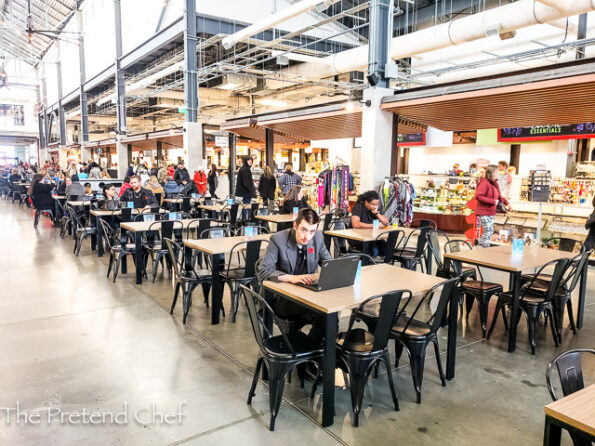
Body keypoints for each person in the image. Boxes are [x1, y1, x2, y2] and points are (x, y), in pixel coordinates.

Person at [257, 209, 331, 341]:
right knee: (326, 314)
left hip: (307, 294)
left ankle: (312, 349)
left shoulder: (318, 238)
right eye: (303, 230)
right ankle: (310, 351)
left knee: (330, 315)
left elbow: (329, 264)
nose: (307, 236)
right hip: (282, 298)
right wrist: (292, 278)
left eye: (311, 232)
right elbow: (263, 271)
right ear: (295, 226)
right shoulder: (278, 240)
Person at [475, 164, 511, 247]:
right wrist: (492, 202)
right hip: (483, 211)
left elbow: (499, 196)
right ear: (492, 173)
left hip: (490, 212)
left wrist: (507, 203)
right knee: (488, 231)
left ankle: (483, 248)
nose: (499, 173)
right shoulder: (485, 183)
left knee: (490, 231)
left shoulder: (495, 184)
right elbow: (478, 196)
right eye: (497, 172)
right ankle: (483, 249)